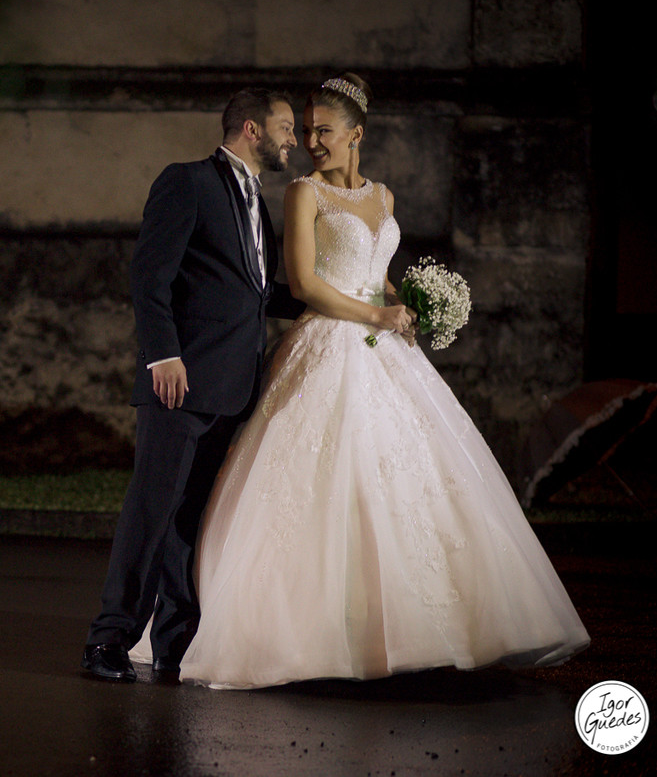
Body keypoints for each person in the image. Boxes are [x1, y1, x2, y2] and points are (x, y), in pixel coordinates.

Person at [163, 74, 589, 689]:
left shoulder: (384, 197)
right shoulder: (303, 193)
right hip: (327, 342)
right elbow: (305, 284)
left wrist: (409, 302)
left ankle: (422, 630)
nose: (311, 141)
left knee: (410, 479)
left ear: (356, 134)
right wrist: (375, 314)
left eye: (323, 130)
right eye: (305, 130)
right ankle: (310, 634)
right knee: (322, 478)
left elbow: (376, 272)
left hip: (385, 347)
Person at [81, 88, 307, 682]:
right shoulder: (187, 182)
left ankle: (173, 644)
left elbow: (255, 293)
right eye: (286, 127)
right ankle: (107, 640)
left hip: (231, 388)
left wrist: (334, 307)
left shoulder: (256, 200)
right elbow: (149, 275)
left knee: (190, 522)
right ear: (252, 129)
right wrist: (164, 355)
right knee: (151, 512)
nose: (294, 139)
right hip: (178, 384)